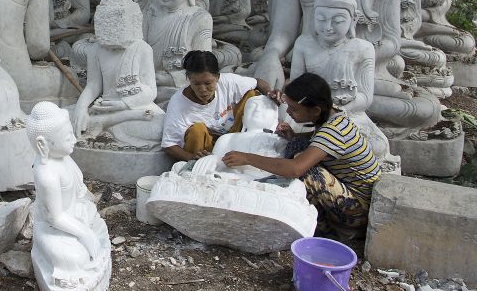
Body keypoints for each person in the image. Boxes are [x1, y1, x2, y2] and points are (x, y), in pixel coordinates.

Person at [221, 72, 381, 240]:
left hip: (359, 207)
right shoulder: (335, 117)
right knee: (297, 145)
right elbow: (316, 141)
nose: (288, 112)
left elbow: (295, 169)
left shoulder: (334, 131)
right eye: (287, 106)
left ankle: (328, 232)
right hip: (353, 191)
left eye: (294, 109)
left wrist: (248, 158)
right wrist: (294, 137)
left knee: (307, 173)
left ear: (316, 110)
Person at [161, 50, 271, 161]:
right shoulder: (178, 103)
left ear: (218, 77)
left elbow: (259, 83)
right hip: (205, 151)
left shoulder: (228, 81)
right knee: (197, 130)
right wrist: (191, 158)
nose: (203, 90)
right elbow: (169, 145)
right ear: (189, 80)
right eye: (196, 84)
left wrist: (272, 94)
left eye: (208, 83)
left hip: (235, 137)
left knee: (252, 95)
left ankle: (253, 147)